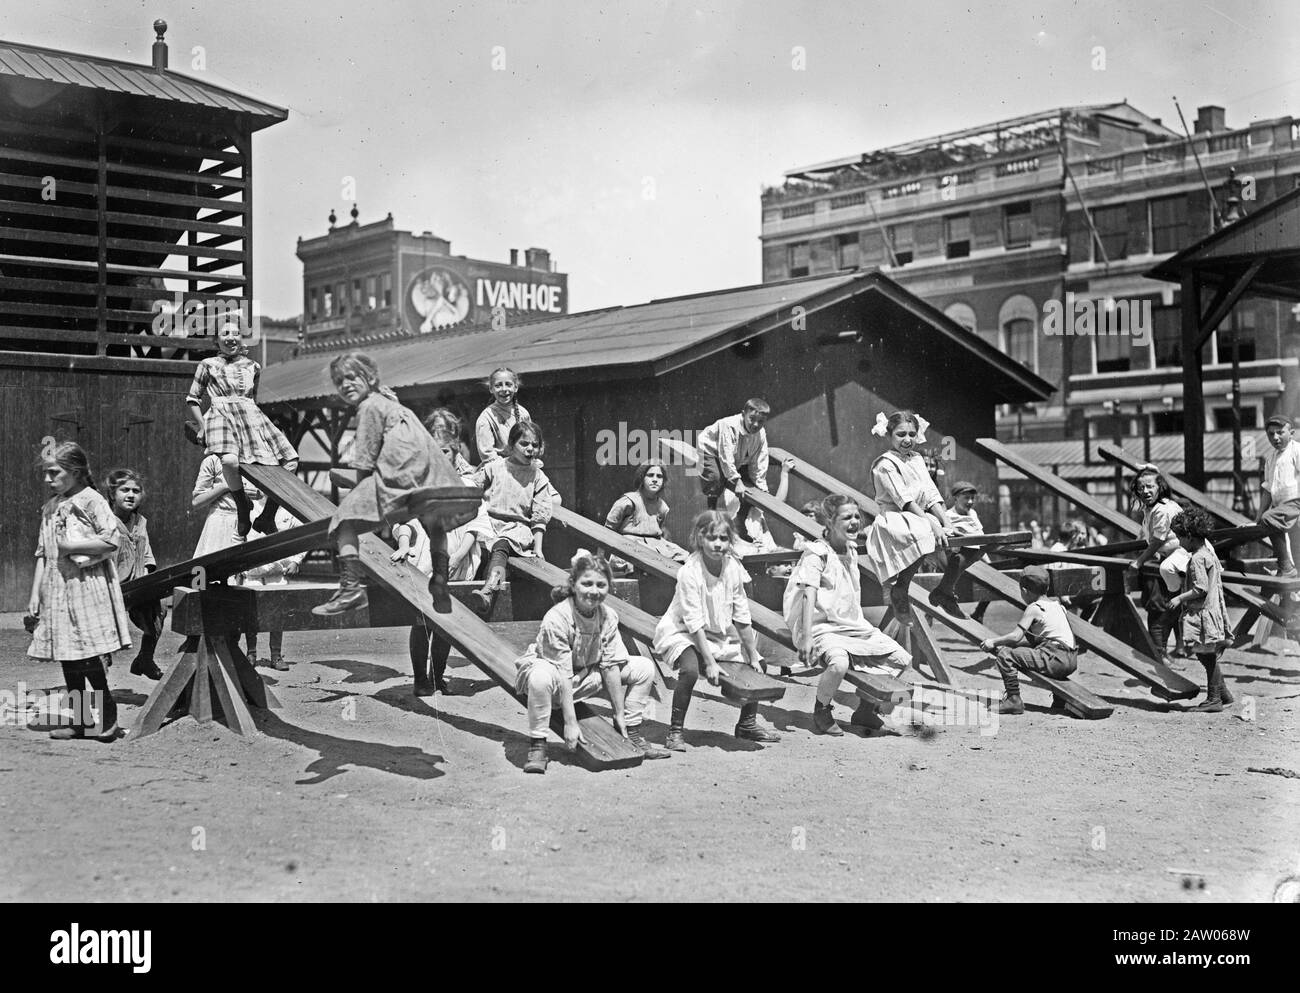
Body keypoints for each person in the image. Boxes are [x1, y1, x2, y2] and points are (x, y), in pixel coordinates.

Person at [312, 353, 480, 617]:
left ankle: (350, 588)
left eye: (351, 377)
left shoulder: (369, 407)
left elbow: (365, 459)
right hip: (429, 477)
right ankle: (440, 582)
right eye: (339, 381)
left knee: (343, 523)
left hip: (400, 476)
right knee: (433, 521)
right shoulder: (399, 409)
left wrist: (361, 495)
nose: (345, 385)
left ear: (370, 378)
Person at [514, 550, 670, 773]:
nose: (594, 591)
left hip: (587, 674)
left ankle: (632, 733)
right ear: (574, 584)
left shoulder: (607, 616)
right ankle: (538, 744)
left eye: (601, 585)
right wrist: (570, 723)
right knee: (540, 678)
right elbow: (562, 672)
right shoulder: (557, 617)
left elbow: (611, 665)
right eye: (587, 584)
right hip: (555, 680)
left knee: (644, 668)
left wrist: (618, 715)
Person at [27, 442, 130, 742]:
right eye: (46, 473)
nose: (48, 479)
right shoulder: (50, 507)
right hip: (58, 589)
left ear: (74, 472)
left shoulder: (91, 500)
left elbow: (111, 542)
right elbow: (43, 554)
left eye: (54, 473)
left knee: (86, 656)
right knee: (68, 658)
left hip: (87, 587)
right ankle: (82, 722)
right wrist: (35, 593)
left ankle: (108, 720)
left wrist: (72, 546)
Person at [784, 494, 911, 735]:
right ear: (830, 522)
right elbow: (808, 595)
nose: (854, 521)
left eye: (856, 516)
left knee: (901, 659)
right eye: (846, 517)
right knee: (839, 664)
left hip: (852, 626)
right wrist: (807, 636)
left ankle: (866, 709)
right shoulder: (816, 553)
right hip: (821, 626)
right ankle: (821, 709)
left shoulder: (851, 549)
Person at [652, 510, 779, 749]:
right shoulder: (690, 571)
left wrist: (752, 654)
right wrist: (709, 663)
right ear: (700, 538)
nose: (718, 544)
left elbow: (741, 613)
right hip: (683, 631)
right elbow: (693, 621)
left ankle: (747, 724)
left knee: (759, 664)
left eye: (723, 538)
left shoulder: (732, 567)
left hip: (717, 632)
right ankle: (675, 731)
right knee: (690, 670)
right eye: (712, 538)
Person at [184, 318, 298, 537]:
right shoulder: (207, 364)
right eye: (225, 334)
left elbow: (252, 399)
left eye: (235, 333)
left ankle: (267, 515)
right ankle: (242, 505)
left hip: (250, 416)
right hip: (220, 415)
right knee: (229, 460)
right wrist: (203, 426)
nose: (231, 338)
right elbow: (193, 399)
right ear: (216, 340)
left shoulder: (253, 366)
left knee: (290, 460)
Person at [863, 410, 952, 626]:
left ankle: (947, 589)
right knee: (925, 532)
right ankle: (901, 586)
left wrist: (946, 521)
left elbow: (931, 493)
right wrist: (932, 523)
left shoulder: (918, 459)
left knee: (962, 532)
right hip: (896, 517)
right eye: (901, 434)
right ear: (889, 435)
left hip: (919, 515)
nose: (907, 440)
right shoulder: (884, 464)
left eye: (912, 434)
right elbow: (904, 500)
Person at [466, 421, 554, 618]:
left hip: (516, 528)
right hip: (489, 523)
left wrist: (538, 548)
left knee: (501, 545)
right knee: (472, 545)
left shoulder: (538, 477)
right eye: (524, 443)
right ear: (512, 444)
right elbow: (472, 486)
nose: (530, 448)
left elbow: (540, 516)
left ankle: (489, 589)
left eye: (535, 444)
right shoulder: (495, 467)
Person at [978, 565, 1078, 716]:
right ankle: (1059, 701)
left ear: (1024, 591)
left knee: (1006, 655)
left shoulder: (1034, 608)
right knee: (1033, 646)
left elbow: (1016, 636)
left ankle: (1013, 700)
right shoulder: (1058, 606)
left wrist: (993, 642)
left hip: (1055, 658)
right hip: (1071, 659)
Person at [1168, 509, 1235, 713]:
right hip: (1212, 610)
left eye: (1179, 537)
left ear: (1189, 536)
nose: (1178, 542)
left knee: (1207, 656)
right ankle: (1223, 694)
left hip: (1202, 613)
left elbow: (1201, 588)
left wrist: (1179, 597)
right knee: (1207, 655)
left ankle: (1214, 698)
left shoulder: (1197, 558)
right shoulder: (1208, 553)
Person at [105, 468, 165, 679]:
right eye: (124, 490)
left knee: (159, 608)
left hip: (137, 585)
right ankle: (101, 667)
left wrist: (148, 579)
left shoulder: (141, 522)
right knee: (104, 629)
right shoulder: (104, 521)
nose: (131, 495)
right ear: (112, 494)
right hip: (109, 587)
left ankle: (145, 659)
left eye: (136, 490)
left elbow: (147, 556)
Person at [1128, 464, 1188, 663]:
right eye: (1141, 488)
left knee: (1163, 608)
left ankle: (1160, 654)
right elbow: (1149, 536)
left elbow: (1158, 540)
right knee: (1162, 607)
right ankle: (1163, 653)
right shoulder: (1151, 509)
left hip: (1172, 560)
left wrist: (1139, 560)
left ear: (1159, 488)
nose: (1145, 491)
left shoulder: (1163, 508)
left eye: (1149, 487)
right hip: (1163, 562)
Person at [242, 501, 306, 672]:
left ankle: (276, 656)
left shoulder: (287, 509)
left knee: (277, 614)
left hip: (277, 572)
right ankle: (251, 653)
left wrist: (296, 560)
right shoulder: (249, 505)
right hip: (253, 571)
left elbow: (303, 534)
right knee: (251, 614)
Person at [604, 461, 689, 572]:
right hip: (630, 544)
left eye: (659, 476)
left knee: (687, 557)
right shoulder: (628, 501)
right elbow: (606, 530)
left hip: (656, 545)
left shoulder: (662, 507)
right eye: (650, 475)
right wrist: (601, 560)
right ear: (642, 478)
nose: (655, 479)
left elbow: (658, 531)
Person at [696, 399, 771, 521]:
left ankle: (740, 520)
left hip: (735, 456)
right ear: (743, 414)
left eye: (761, 421)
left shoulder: (760, 433)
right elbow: (725, 455)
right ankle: (712, 513)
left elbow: (759, 461)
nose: (756, 424)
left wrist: (761, 487)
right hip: (711, 450)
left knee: (751, 488)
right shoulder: (728, 425)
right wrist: (737, 482)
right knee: (716, 478)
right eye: (752, 419)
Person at [928, 479, 987, 620]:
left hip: (966, 560)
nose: (970, 501)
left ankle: (944, 592)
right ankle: (942, 594)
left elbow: (980, 538)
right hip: (949, 558)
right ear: (955, 498)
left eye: (972, 498)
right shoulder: (948, 516)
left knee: (983, 548)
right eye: (966, 498)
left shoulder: (972, 514)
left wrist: (987, 561)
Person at [1258, 415, 1300, 584]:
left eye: (1280, 432)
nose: (1275, 437)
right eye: (1270, 434)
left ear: (1291, 433)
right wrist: (1256, 517)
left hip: (1296, 504)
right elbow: (1267, 490)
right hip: (1281, 508)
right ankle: (1288, 573)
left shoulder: (1296, 450)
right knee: (1265, 519)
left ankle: (1286, 568)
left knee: (1269, 518)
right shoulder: (1271, 458)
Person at [475, 367, 531, 464]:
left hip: (524, 466)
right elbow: (487, 455)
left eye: (508, 384)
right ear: (491, 389)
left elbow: (531, 443)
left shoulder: (523, 414)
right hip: (498, 470)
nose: (504, 389)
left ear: (516, 387)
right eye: (498, 385)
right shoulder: (486, 418)